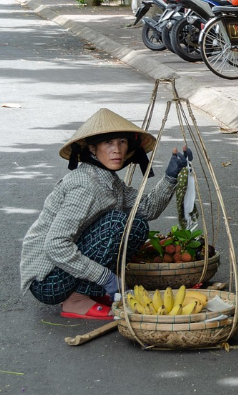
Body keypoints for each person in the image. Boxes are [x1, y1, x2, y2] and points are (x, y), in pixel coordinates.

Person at [19, 108, 192, 320]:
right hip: (48, 280)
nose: (116, 150)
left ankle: (89, 292)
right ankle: (77, 299)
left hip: (64, 269)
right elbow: (55, 245)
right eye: (108, 143)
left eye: (122, 142)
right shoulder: (85, 186)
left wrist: (170, 176)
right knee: (117, 224)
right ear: (93, 148)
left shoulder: (109, 181)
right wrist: (106, 277)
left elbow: (146, 208)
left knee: (136, 226)